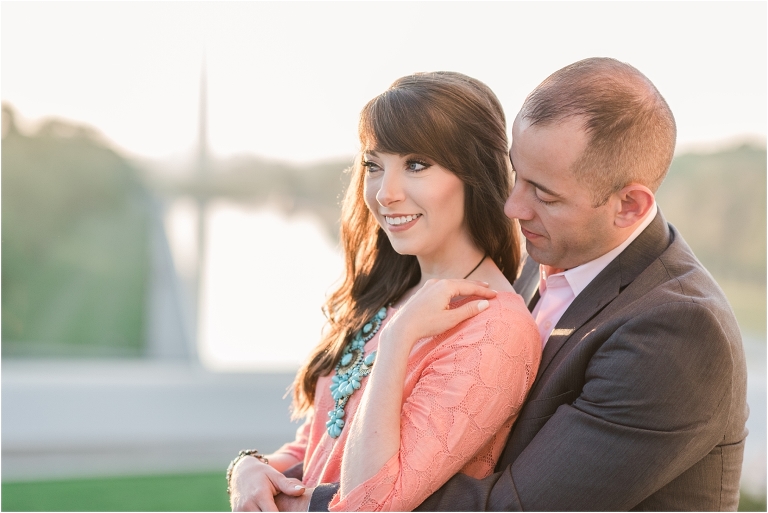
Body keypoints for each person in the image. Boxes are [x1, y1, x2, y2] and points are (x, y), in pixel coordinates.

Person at [297, 57, 749, 511]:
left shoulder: (675, 333)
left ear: (628, 205)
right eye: (516, 175)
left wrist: (307, 503)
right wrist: (261, 469)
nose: (512, 207)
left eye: (543, 194)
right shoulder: (534, 260)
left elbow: (511, 508)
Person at [227, 71, 542, 511]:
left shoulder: (494, 329)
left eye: (416, 164)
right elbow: (324, 438)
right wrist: (250, 469)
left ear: (475, 173)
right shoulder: (394, 290)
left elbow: (370, 503)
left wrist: (399, 338)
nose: (386, 193)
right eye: (374, 166)